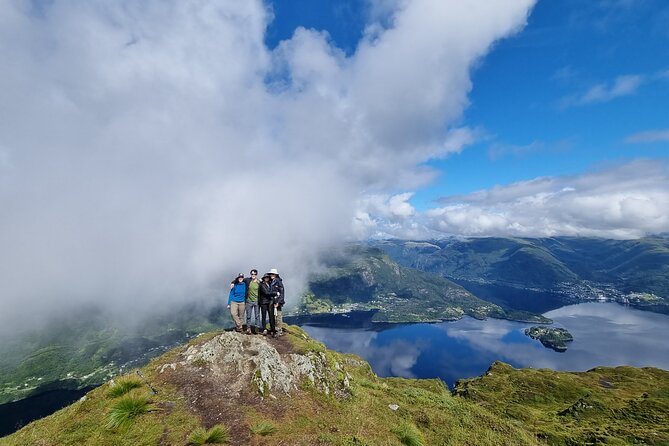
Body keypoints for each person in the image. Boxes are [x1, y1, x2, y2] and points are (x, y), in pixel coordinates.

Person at [244, 269, 261, 334]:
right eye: (252, 274)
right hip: (249, 301)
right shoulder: (248, 280)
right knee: (248, 315)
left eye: (254, 274)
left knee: (257, 315)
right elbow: (239, 279)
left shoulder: (259, 282)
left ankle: (257, 328)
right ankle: (248, 328)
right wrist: (232, 283)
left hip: (257, 301)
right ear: (250, 274)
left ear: (256, 275)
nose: (253, 275)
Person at [269, 268, 285, 337]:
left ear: (276, 275)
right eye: (271, 274)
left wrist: (278, 302)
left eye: (273, 274)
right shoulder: (272, 281)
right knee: (274, 316)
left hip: (277, 302)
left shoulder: (278, 282)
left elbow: (281, 293)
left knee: (278, 316)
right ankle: (275, 329)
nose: (272, 275)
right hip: (273, 301)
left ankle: (279, 330)